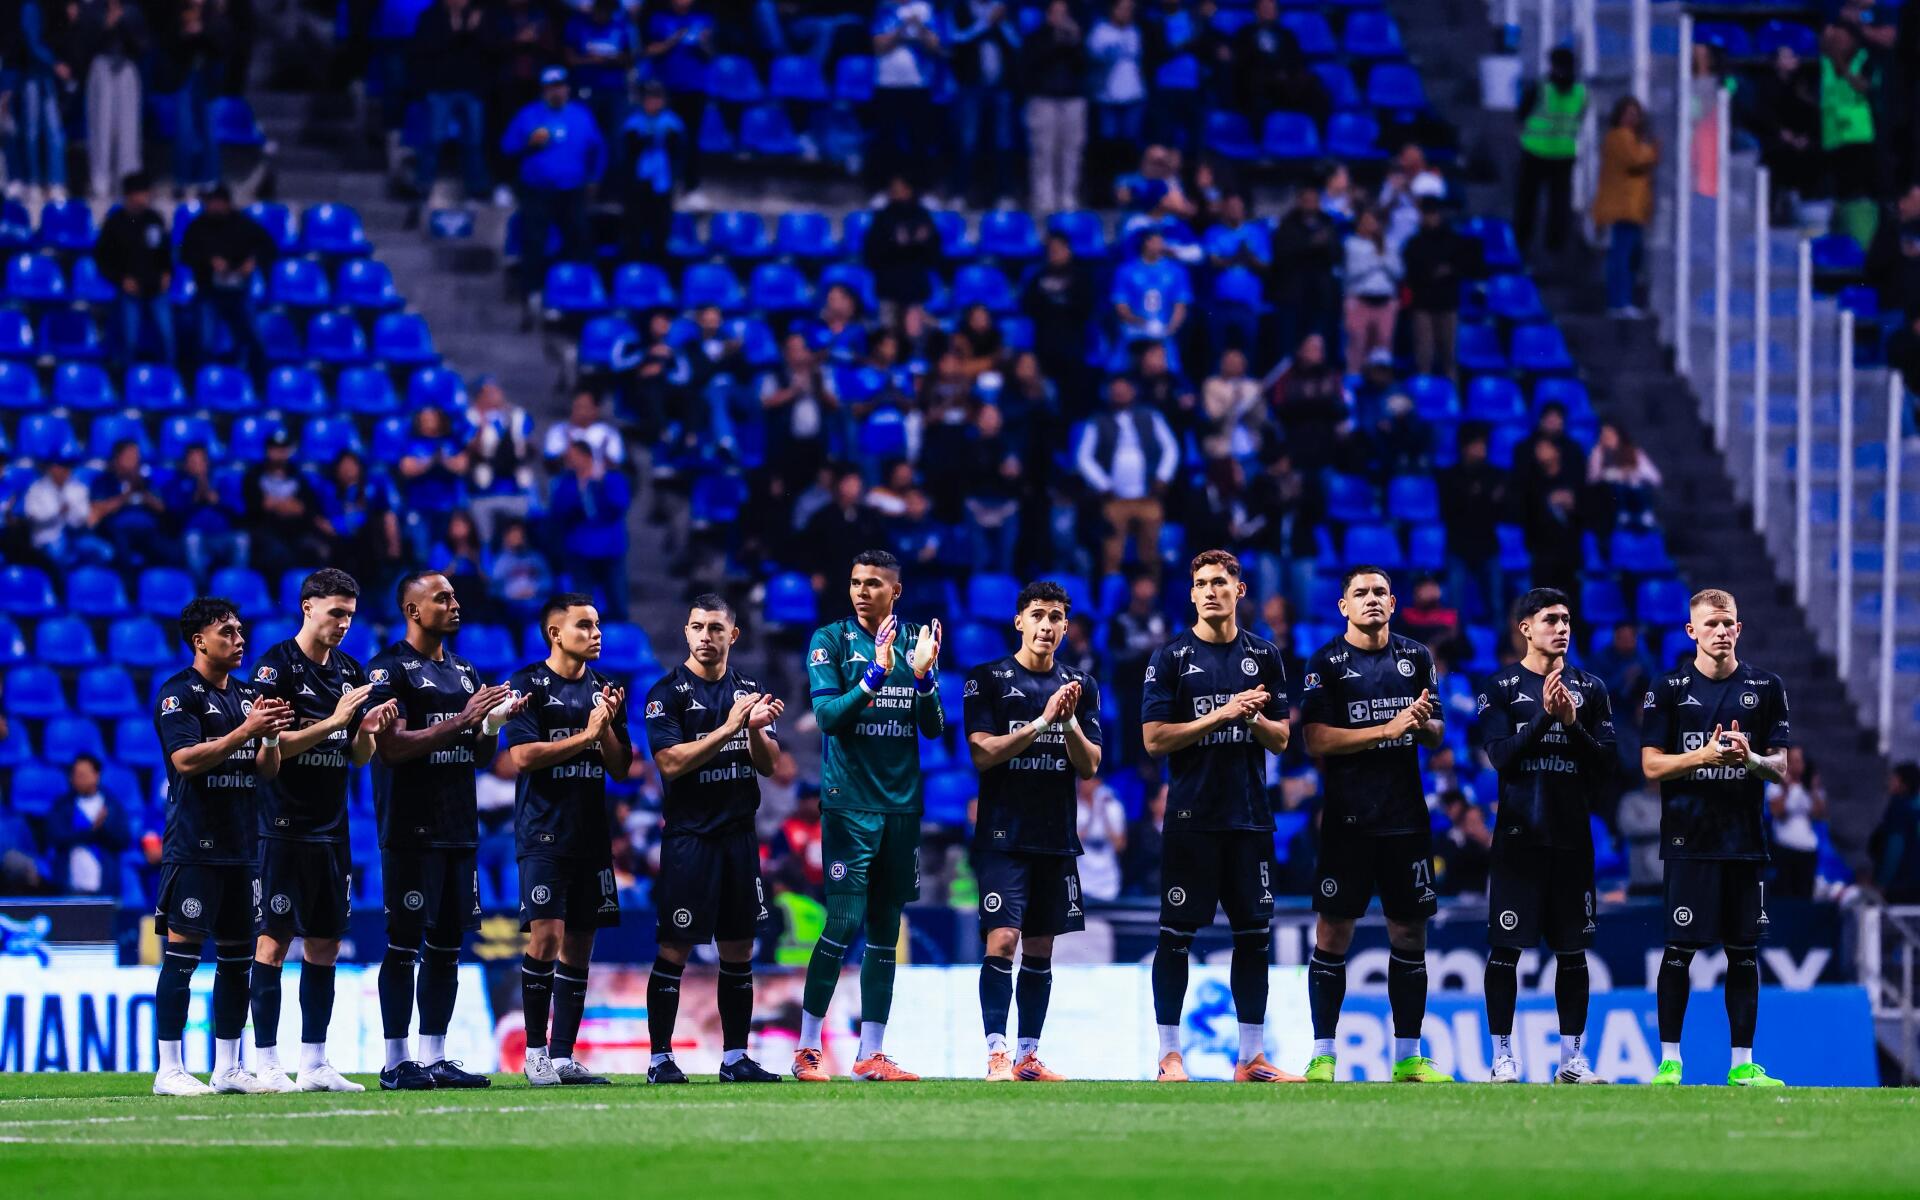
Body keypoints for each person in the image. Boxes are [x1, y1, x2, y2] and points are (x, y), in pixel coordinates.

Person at [1140, 550, 1297, 1083]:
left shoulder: (1266, 655)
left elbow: (1281, 739)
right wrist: (1223, 713)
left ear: (1240, 591)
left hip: (1250, 817)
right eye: (1202, 583)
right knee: (1175, 937)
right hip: (1192, 816)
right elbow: (1155, 740)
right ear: (1190, 594)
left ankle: (1251, 1058)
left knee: (1254, 937)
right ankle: (1169, 1056)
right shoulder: (1170, 658)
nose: (1211, 591)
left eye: (1221, 583)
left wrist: (1249, 719)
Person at [366, 570, 527, 1091]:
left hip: (459, 825)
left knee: (447, 946)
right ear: (413, 610)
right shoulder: (388, 671)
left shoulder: (464, 670)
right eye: (442, 598)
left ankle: (433, 1055)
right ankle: (395, 1061)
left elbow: (478, 755)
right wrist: (463, 720)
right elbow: (390, 748)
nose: (455, 604)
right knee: (405, 944)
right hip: (410, 826)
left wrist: (491, 725)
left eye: (455, 596)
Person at [792, 550, 944, 1081]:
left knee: (885, 930)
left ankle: (870, 1054)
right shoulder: (830, 641)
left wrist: (923, 679)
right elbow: (828, 717)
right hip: (850, 805)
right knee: (842, 922)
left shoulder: (916, 642)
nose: (861, 591)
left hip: (902, 807)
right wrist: (875, 675)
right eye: (855, 582)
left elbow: (934, 727)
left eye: (874, 584)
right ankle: (808, 1047)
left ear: (895, 592)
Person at [1298, 566, 1451, 1083]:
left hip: (1406, 820)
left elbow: (1435, 733)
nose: (1371, 600)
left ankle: (1408, 1056)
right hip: (1347, 820)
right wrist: (1386, 727)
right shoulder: (1326, 663)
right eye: (1360, 593)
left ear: (1394, 601)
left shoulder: (1416, 657)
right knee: (1333, 933)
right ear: (1343, 605)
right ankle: (1323, 1055)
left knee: (1409, 933)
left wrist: (1422, 722)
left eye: (1380, 592)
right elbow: (1315, 740)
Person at [246, 569, 396, 1093]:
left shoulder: (350, 671)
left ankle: (314, 1063)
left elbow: (356, 757)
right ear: (307, 607)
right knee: (272, 942)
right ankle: (266, 1061)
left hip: (331, 829)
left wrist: (367, 733)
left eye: (350, 615)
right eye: (335, 612)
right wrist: (334, 722)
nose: (344, 624)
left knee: (326, 944)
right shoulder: (274, 669)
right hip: (281, 825)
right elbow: (271, 747)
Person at [1639, 588, 1791, 1087]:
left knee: (1743, 953)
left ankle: (1742, 1064)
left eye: (1728, 623)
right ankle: (1669, 1061)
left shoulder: (1766, 688)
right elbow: (1651, 764)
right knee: (1679, 952)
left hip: (1744, 842)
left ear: (1739, 629)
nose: (1721, 632)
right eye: (1711, 625)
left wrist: (1747, 760)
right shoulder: (1667, 689)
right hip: (1688, 841)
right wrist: (1703, 757)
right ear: (1691, 631)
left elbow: (1781, 768)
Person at [150, 596, 295, 1096]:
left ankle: (228, 1066)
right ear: (199, 641)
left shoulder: (247, 696)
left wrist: (271, 738)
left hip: (243, 846)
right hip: (195, 846)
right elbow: (186, 760)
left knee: (238, 960)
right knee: (182, 957)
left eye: (240, 632)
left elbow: (266, 771)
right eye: (227, 633)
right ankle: (169, 1069)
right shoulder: (179, 694)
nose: (239, 640)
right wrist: (247, 730)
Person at [642, 595, 787, 1084]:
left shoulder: (750, 690)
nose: (706, 637)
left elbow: (770, 766)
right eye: (698, 627)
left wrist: (757, 732)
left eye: (716, 628)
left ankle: (734, 1058)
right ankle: (660, 1057)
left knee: (739, 949)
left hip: (738, 837)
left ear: (733, 635)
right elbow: (670, 763)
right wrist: (730, 727)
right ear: (686, 633)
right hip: (690, 840)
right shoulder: (667, 694)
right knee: (675, 948)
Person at [1477, 589, 1617, 1084]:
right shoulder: (1499, 687)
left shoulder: (1592, 688)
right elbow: (1501, 757)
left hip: (1572, 839)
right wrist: (1544, 718)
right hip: (1518, 838)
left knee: (1573, 953)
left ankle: (1572, 1060)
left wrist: (1572, 724)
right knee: (1506, 950)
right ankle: (1502, 1057)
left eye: (1567, 620)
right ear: (1525, 628)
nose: (1562, 628)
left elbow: (1606, 766)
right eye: (1551, 619)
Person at [964, 581, 1102, 1082]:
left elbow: (1089, 767)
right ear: (1019, 621)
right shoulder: (988, 680)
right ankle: (996, 1053)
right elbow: (982, 753)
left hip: (1057, 837)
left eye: (1057, 617)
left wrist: (1067, 725)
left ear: (1067, 628)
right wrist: (1042, 721)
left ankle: (1028, 1056)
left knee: (1041, 950)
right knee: (1002, 940)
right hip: (1004, 836)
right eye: (1038, 615)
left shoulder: (1081, 686)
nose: (1047, 625)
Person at [503, 592, 633, 1086]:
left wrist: (607, 730)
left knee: (580, 945)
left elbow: (622, 769)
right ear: (555, 634)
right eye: (584, 626)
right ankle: (534, 1053)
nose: (596, 633)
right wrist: (587, 734)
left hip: (590, 835)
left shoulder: (605, 689)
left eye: (597, 625)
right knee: (547, 936)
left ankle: (561, 1056)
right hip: (543, 831)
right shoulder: (529, 684)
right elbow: (522, 758)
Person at [502, 67, 607, 308]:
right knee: (534, 241)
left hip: (572, 189)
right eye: (551, 87)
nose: (557, 91)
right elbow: (507, 147)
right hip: (537, 189)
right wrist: (528, 143)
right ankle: (533, 292)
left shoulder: (581, 115)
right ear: (543, 90)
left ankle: (579, 290)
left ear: (567, 88)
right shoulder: (528, 115)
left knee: (579, 238)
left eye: (560, 86)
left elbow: (598, 149)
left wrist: (594, 178)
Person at [1074, 376, 1179, 577]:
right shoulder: (1097, 420)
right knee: (1111, 555)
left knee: (1150, 555)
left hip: (1147, 497)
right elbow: (1083, 457)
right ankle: (1112, 597)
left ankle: (1149, 595)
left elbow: (1171, 448)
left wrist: (1163, 477)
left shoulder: (1150, 416)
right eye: (1115, 390)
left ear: (1133, 392)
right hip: (1114, 499)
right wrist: (1102, 484)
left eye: (1124, 389)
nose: (1120, 394)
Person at [178, 185, 276, 377]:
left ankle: (257, 381)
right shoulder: (198, 226)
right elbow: (185, 255)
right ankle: (204, 380)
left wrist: (252, 260)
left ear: (225, 203)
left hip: (238, 291)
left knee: (252, 337)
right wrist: (208, 262)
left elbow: (269, 248)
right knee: (205, 341)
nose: (212, 206)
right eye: (209, 202)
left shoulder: (244, 224)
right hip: (209, 291)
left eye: (215, 201)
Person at [408, 0, 492, 222]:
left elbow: (492, 50)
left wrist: (474, 32)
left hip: (472, 89)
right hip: (440, 89)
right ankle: (423, 188)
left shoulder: (479, 16)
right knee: (434, 140)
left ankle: (477, 191)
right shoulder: (431, 17)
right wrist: (453, 31)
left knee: (473, 142)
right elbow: (422, 49)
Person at [95, 171, 174, 368]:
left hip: (156, 287)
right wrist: (120, 279)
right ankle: (127, 382)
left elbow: (165, 251)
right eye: (139, 193)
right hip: (130, 289)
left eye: (146, 193)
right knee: (129, 339)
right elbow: (103, 258)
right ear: (129, 195)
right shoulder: (115, 223)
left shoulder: (154, 219)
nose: (143, 198)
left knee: (167, 336)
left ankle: (170, 377)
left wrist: (167, 273)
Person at [546, 439, 633, 617]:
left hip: (610, 548)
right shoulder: (566, 483)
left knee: (617, 601)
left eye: (572, 456)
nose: (568, 461)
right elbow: (558, 511)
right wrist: (580, 488)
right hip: (579, 550)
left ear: (586, 456)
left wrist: (601, 484)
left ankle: (620, 635)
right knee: (583, 605)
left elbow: (620, 504)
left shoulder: (611, 478)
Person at [948, 0, 1020, 208]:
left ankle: (1004, 194)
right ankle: (959, 194)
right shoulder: (961, 8)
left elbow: (1017, 43)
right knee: (967, 142)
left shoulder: (1005, 9)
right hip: (971, 87)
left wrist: (1003, 23)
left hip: (1001, 88)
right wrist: (986, 23)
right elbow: (957, 39)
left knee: (1003, 142)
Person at [1515, 46, 1587, 255]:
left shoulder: (1539, 87)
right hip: (1561, 153)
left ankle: (1525, 242)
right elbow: (1579, 119)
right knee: (1558, 202)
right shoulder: (1581, 93)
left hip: (1536, 151)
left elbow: (1521, 115)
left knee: (1530, 201)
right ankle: (1554, 246)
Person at [76, 0, 149, 204]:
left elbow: (143, 45)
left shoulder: (133, 10)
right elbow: (83, 44)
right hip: (100, 65)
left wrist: (123, 24)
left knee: (128, 129)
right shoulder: (92, 9)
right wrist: (106, 25)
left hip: (126, 67)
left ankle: (128, 185)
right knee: (101, 127)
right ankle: (100, 184)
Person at [868, 2, 945, 194]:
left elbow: (936, 46)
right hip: (887, 85)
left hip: (918, 85)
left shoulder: (926, 10)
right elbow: (878, 46)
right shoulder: (885, 9)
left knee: (919, 142)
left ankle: (920, 191)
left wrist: (918, 27)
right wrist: (902, 28)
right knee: (886, 141)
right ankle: (883, 191)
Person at [1021, 0, 1087, 214]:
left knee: (1071, 151)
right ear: (1047, 14)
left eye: (1064, 13)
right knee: (1044, 151)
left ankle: (1068, 195)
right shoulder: (1037, 37)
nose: (1060, 17)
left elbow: (1084, 66)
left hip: (1072, 99)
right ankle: (1044, 198)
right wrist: (1054, 40)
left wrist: (1074, 41)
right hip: (1043, 99)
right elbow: (1032, 64)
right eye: (1056, 12)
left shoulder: (1076, 38)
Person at [1268, 183, 1342, 358]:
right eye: (1306, 200)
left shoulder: (1328, 223)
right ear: (1299, 201)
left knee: (1319, 346)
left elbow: (1337, 254)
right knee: (1288, 347)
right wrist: (1310, 245)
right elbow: (1281, 254)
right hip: (1292, 296)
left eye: (1314, 200)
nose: (1310, 203)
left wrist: (1321, 246)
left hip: (1321, 297)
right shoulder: (1287, 224)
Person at [460, 376, 537, 543]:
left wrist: (523, 445)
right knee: (486, 540)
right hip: (484, 492)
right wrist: (482, 425)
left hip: (515, 489)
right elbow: (469, 449)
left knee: (520, 536)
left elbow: (530, 448)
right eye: (487, 392)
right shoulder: (471, 417)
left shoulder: (517, 416)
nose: (494, 395)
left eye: (495, 391)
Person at [618, 82, 686, 267]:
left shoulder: (672, 124)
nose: (653, 103)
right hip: (638, 183)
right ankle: (632, 268)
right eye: (649, 98)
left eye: (657, 98)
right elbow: (626, 154)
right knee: (634, 226)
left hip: (662, 183)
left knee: (661, 227)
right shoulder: (633, 123)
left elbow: (679, 154)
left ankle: (658, 269)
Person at [46, 753, 133, 895]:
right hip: (69, 888)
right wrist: (92, 831)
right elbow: (56, 836)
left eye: (84, 775)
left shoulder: (112, 806)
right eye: (76, 775)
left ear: (96, 775)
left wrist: (103, 830)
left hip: (105, 887)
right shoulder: (62, 806)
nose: (78, 779)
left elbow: (123, 840)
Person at [1399, 198, 1466, 378]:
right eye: (1426, 215)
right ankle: (1424, 395)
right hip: (1422, 304)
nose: (1430, 218)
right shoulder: (1414, 243)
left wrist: (1450, 270)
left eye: (1433, 214)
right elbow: (1409, 273)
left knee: (1449, 357)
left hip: (1447, 303)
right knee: (1423, 354)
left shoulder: (1454, 240)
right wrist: (1430, 272)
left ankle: (1452, 398)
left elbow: (1468, 266)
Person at [864, 175, 943, 319]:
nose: (898, 193)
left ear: (910, 190)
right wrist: (895, 243)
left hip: (916, 286)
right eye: (894, 190)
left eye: (902, 189)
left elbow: (935, 254)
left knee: (915, 334)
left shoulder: (922, 216)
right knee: (888, 335)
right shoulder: (883, 218)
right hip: (889, 286)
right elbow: (871, 253)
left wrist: (923, 242)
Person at [1342, 208, 1401, 374]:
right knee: (1357, 344)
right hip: (1359, 299)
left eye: (1373, 221)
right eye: (1366, 221)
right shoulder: (1351, 244)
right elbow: (1352, 273)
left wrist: (1381, 256)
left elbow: (1398, 272)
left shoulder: (1390, 243)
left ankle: (1381, 383)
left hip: (1385, 301)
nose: (1370, 225)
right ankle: (1354, 381)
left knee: (1383, 345)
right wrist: (1376, 258)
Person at [1767, 747, 1826, 899]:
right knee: (1784, 894)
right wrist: (1786, 790)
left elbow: (1820, 814)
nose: (1795, 765)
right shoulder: (1777, 785)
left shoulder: (1810, 788)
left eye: (1798, 761)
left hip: (1807, 848)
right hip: (1785, 846)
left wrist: (1813, 789)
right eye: (1791, 761)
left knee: (1804, 894)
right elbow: (1777, 812)